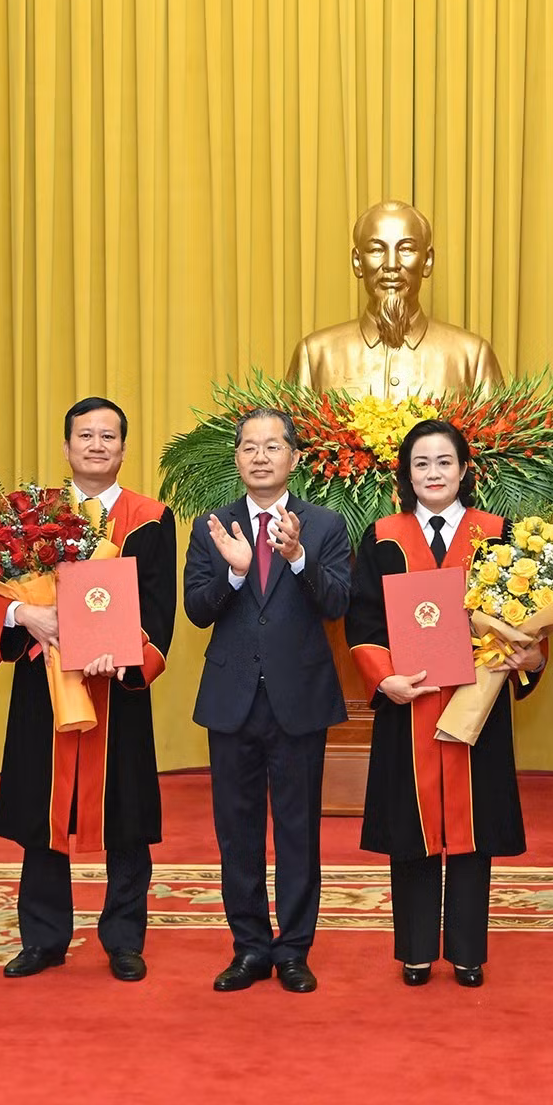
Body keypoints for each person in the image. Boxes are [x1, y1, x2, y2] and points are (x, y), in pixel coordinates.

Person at [345, 420, 544, 987]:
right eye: (421, 464)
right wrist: (385, 680)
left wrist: (527, 660)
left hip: (476, 705)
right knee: (411, 828)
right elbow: (364, 620)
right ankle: (413, 950)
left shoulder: (500, 537)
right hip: (408, 704)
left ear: (464, 470)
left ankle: (466, 951)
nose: (433, 474)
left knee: (472, 828)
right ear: (406, 475)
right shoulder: (383, 537)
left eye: (444, 462)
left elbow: (527, 621)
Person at [0, 398, 177, 983]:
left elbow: (159, 610)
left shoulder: (151, 517)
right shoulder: (29, 517)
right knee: (40, 813)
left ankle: (124, 938)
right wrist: (24, 613)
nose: (96, 445)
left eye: (108, 437)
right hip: (42, 686)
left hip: (116, 692)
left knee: (125, 814)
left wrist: (125, 658)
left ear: (124, 449)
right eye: (85, 436)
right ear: (66, 446)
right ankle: (43, 938)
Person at [186, 409, 352, 992]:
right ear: (236, 458)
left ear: (294, 458)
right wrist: (233, 575)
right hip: (232, 698)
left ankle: (294, 950)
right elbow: (196, 609)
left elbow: (337, 604)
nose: (260, 456)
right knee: (237, 829)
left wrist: (297, 559)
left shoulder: (325, 525)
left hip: (299, 698)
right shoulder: (213, 525)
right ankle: (250, 947)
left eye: (273, 446)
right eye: (249, 447)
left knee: (298, 827)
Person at [287, 200, 503, 398]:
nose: (391, 264)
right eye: (376, 249)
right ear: (357, 262)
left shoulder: (472, 357)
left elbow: (498, 437)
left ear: (427, 261)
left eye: (406, 249)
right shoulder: (315, 356)